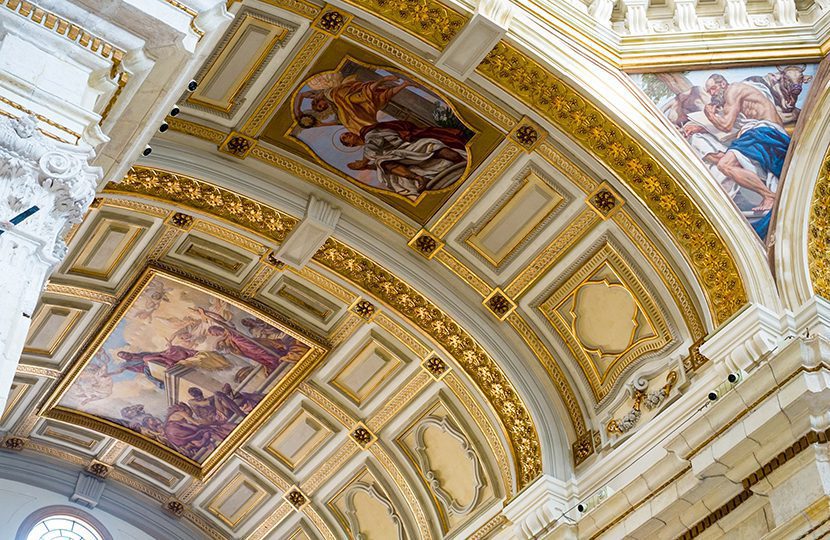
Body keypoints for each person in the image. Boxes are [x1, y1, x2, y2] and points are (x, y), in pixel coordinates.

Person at [699, 74, 790, 214]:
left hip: (765, 132)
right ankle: (767, 194)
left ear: (723, 84)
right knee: (725, 163)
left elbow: (726, 125)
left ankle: (769, 195)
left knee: (725, 164)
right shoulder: (735, 95)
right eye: (709, 91)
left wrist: (710, 116)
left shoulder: (733, 90)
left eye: (713, 88)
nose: (712, 94)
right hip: (763, 132)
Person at [340, 120, 468, 198]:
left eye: (346, 133)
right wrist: (367, 166)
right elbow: (384, 164)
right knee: (381, 163)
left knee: (430, 145)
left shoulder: (368, 133)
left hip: (406, 146)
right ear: (350, 145)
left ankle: (463, 161)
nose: (348, 134)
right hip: (399, 157)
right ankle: (419, 178)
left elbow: (375, 141)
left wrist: (363, 162)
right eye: (345, 138)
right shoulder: (370, 154)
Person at [293, 74, 411, 135]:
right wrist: (323, 125)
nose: (323, 106)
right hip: (344, 100)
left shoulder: (318, 94)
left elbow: (300, 95)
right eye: (322, 109)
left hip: (340, 93)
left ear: (317, 102)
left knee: (353, 98)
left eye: (320, 106)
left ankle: (383, 80)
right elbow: (340, 121)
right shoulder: (334, 106)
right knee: (375, 103)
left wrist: (298, 111)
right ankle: (403, 85)